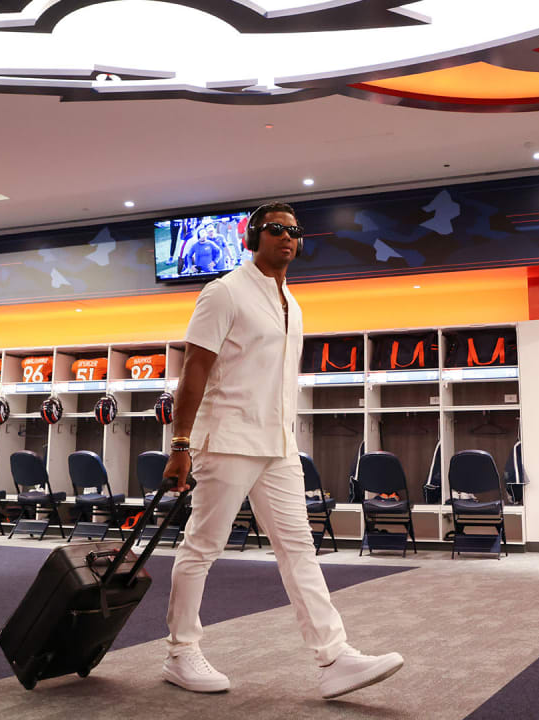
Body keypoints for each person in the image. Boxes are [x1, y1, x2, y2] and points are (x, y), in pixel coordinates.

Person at [160, 202, 404, 699]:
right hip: (227, 440)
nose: (287, 238)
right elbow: (195, 371)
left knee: (299, 550)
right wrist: (180, 443)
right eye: (275, 229)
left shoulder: (292, 301)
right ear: (253, 236)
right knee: (201, 548)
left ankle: (334, 656)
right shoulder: (223, 292)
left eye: (294, 232)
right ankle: (181, 652)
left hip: (278, 445)